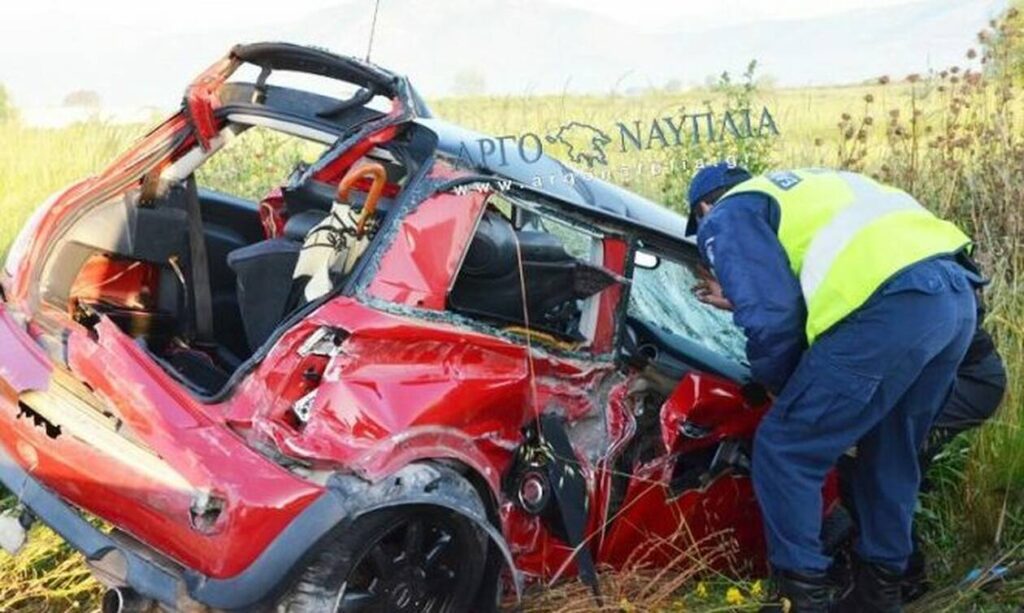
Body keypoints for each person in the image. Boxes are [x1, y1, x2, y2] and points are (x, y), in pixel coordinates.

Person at [685, 163, 981, 612]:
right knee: (890, 450)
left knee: (787, 447)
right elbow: (837, 274)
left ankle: (800, 601)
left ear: (704, 207)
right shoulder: (805, 186)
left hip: (893, 308)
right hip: (954, 301)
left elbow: (771, 319)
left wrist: (784, 389)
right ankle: (879, 596)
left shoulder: (726, 214)